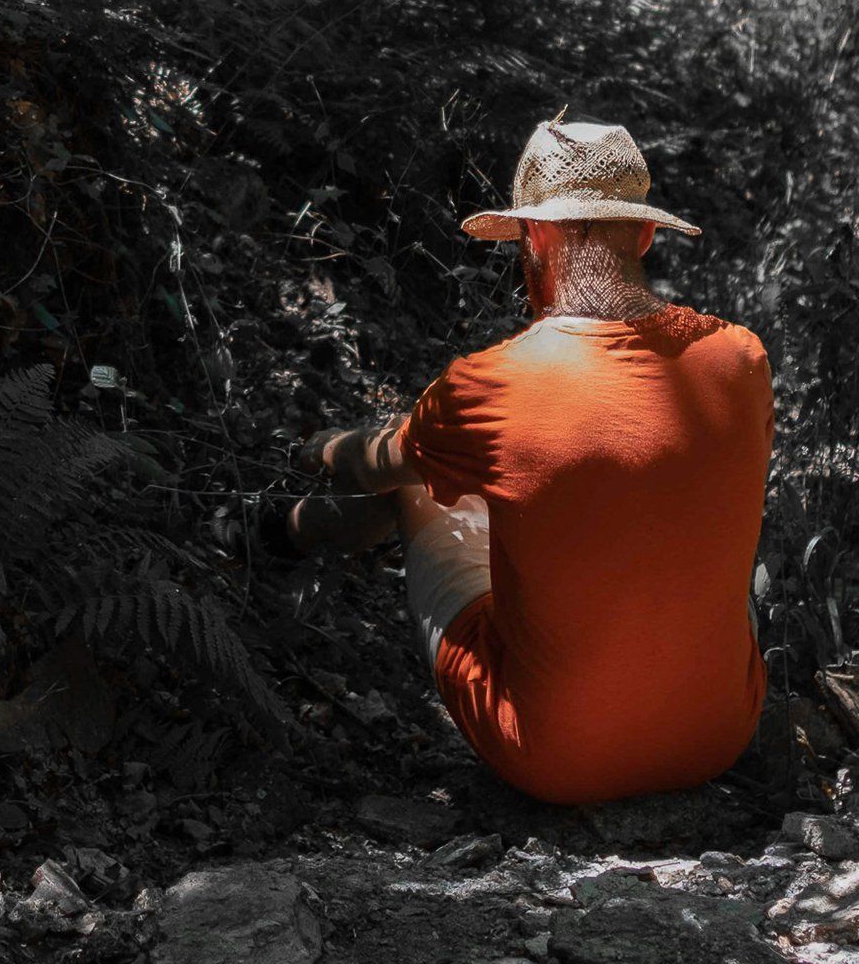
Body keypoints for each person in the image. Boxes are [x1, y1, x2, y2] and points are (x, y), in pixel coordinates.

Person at [282, 116, 773, 805]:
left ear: (533, 236)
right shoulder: (740, 356)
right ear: (645, 234)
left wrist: (320, 447)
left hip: (559, 761)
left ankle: (279, 536)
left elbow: (373, 466)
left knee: (423, 488)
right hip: (719, 737)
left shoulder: (491, 384)